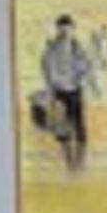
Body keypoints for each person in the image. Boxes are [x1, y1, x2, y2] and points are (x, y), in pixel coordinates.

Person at [38, 13, 99, 170]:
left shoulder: (77, 48)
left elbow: (86, 68)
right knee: (63, 130)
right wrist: (50, 91)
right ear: (57, 29)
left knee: (79, 127)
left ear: (72, 29)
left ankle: (80, 163)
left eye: (68, 29)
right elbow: (46, 71)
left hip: (75, 91)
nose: (65, 32)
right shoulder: (51, 50)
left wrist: (93, 86)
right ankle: (69, 164)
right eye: (61, 29)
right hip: (59, 92)